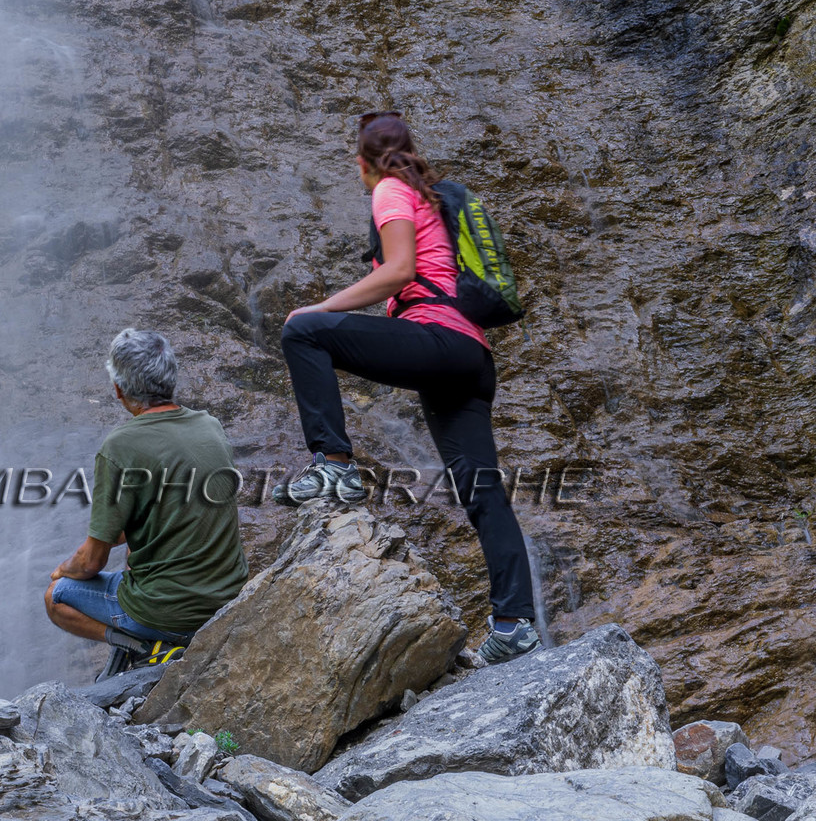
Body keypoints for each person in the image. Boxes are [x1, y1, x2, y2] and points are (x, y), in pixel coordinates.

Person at [277, 112, 539, 666]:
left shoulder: (392, 189)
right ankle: (514, 623)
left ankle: (336, 466)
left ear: (362, 162)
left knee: (302, 330)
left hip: (436, 341)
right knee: (483, 490)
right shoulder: (432, 197)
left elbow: (398, 272)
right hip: (471, 358)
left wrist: (319, 308)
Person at [45, 327, 248, 655]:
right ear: (171, 378)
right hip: (227, 598)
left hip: (169, 613)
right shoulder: (210, 426)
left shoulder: (120, 446)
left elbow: (91, 562)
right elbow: (168, 511)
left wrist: (63, 568)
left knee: (56, 595)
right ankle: (165, 633)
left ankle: (142, 646)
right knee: (131, 553)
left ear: (118, 389)